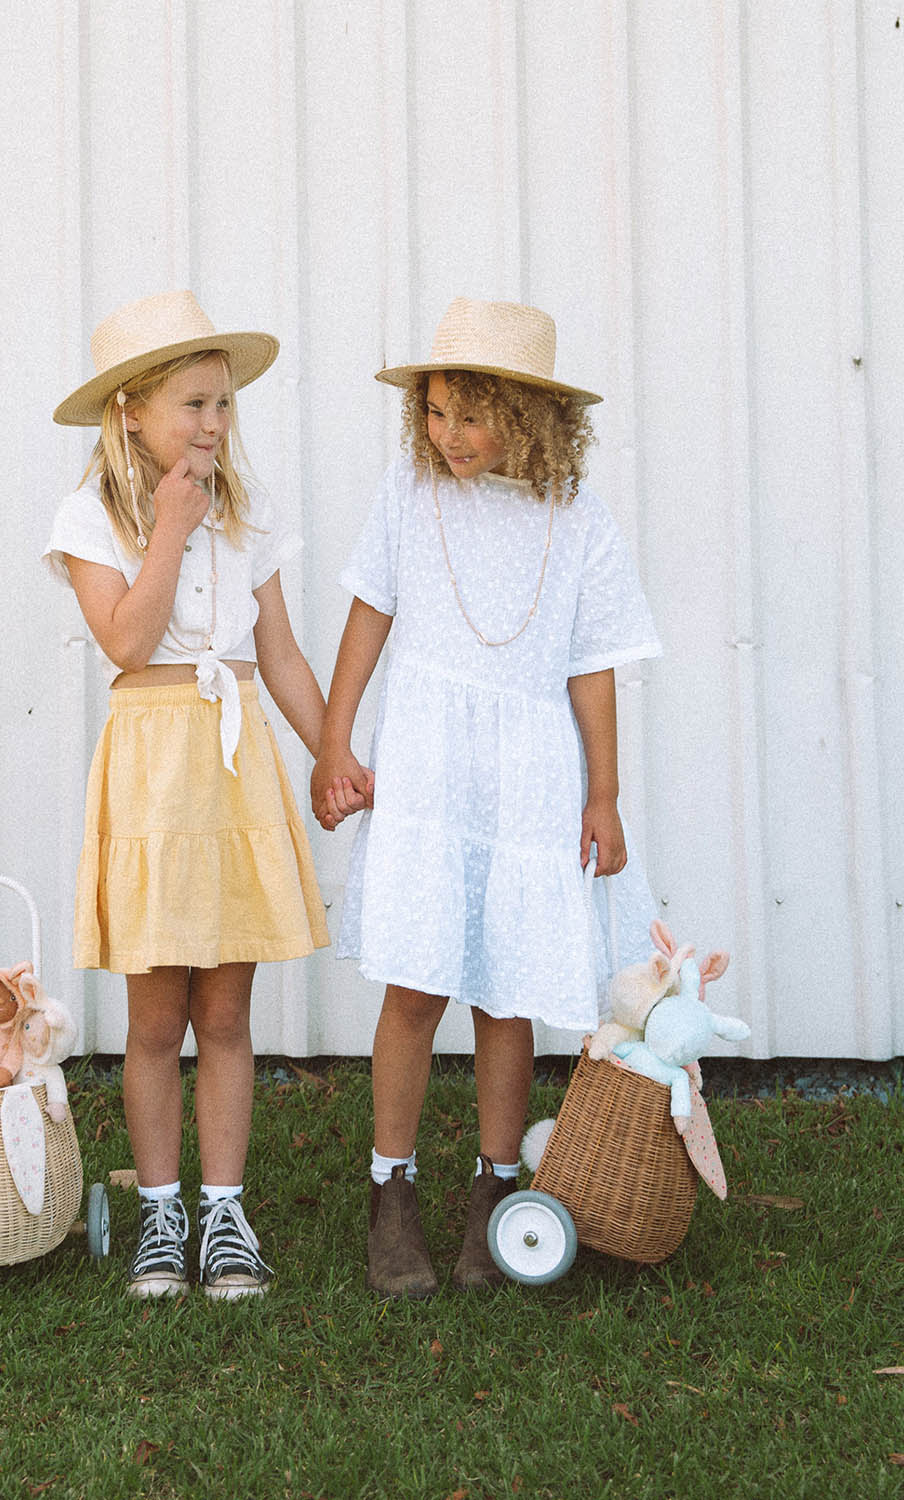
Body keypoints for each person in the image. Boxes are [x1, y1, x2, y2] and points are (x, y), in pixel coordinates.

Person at [311, 298, 661, 1298]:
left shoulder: (576, 516)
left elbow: (592, 665)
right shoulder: (408, 494)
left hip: (531, 771)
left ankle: (496, 1188)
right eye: (434, 412)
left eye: (470, 416)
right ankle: (391, 1191)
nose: (448, 437)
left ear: (528, 416)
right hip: (426, 756)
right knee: (417, 981)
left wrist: (606, 794)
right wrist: (336, 737)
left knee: (506, 990)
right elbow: (370, 611)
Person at [44, 290, 338, 1299]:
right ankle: (160, 1213)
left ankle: (224, 1213)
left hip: (231, 764)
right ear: (130, 410)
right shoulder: (93, 517)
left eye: (223, 406)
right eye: (194, 405)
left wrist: (332, 749)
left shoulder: (245, 516)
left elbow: (284, 655)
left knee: (225, 1013)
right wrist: (170, 523)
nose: (213, 425)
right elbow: (126, 640)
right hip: (154, 771)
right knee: (156, 1017)